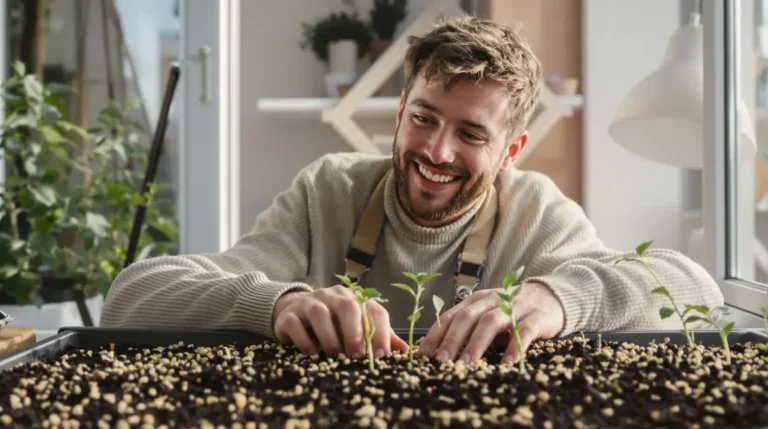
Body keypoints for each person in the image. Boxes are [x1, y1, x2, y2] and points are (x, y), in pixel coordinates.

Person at [101, 15, 724, 365]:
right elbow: (132, 298)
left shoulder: (535, 210)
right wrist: (277, 304)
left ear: (510, 151)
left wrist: (556, 298)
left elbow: (697, 290)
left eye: (471, 134)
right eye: (424, 117)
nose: (436, 151)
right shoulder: (329, 191)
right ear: (399, 111)